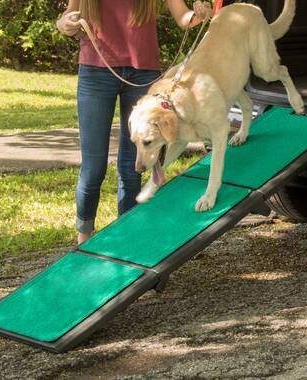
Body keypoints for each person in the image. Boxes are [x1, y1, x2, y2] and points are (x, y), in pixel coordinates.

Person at [56, 0, 212, 245]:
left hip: (142, 73)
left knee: (132, 168)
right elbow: (67, 20)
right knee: (93, 169)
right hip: (96, 72)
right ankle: (82, 243)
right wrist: (65, 23)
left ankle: (127, 241)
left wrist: (198, 15)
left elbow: (184, 18)